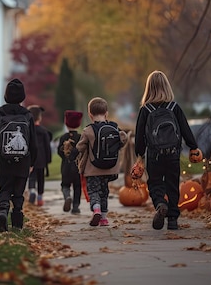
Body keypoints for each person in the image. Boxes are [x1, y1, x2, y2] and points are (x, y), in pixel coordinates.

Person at [134, 70, 199, 231]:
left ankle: (160, 204)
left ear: (149, 88)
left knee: (155, 183)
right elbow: (185, 128)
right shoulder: (174, 107)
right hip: (173, 154)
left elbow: (140, 134)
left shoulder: (145, 110)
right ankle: (172, 220)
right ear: (167, 87)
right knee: (172, 184)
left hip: (154, 155)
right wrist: (193, 147)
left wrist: (139, 154)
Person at [0, 79, 38, 232]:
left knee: (5, 188)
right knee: (19, 191)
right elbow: (33, 142)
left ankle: (2, 210)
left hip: (5, 161)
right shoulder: (27, 115)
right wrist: (32, 161)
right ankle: (17, 220)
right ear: (22, 97)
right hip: (23, 161)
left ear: (6, 96)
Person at [76, 97, 128, 226]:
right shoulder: (114, 128)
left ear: (90, 114)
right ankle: (104, 218)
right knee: (104, 191)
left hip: (93, 169)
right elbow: (123, 139)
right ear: (106, 113)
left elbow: (80, 147)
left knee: (94, 191)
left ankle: (96, 209)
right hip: (110, 169)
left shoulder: (88, 130)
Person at [58, 110, 84, 214]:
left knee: (65, 185)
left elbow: (59, 152)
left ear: (66, 123)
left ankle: (67, 197)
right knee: (77, 187)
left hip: (65, 167)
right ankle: (76, 207)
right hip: (77, 167)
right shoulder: (80, 137)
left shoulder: (63, 137)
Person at [27, 105, 52, 206]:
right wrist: (48, 159)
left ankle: (32, 191)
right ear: (39, 117)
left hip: (30, 159)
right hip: (41, 159)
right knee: (41, 178)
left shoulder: (27, 130)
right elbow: (47, 146)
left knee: (31, 177)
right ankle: (40, 197)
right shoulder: (43, 131)